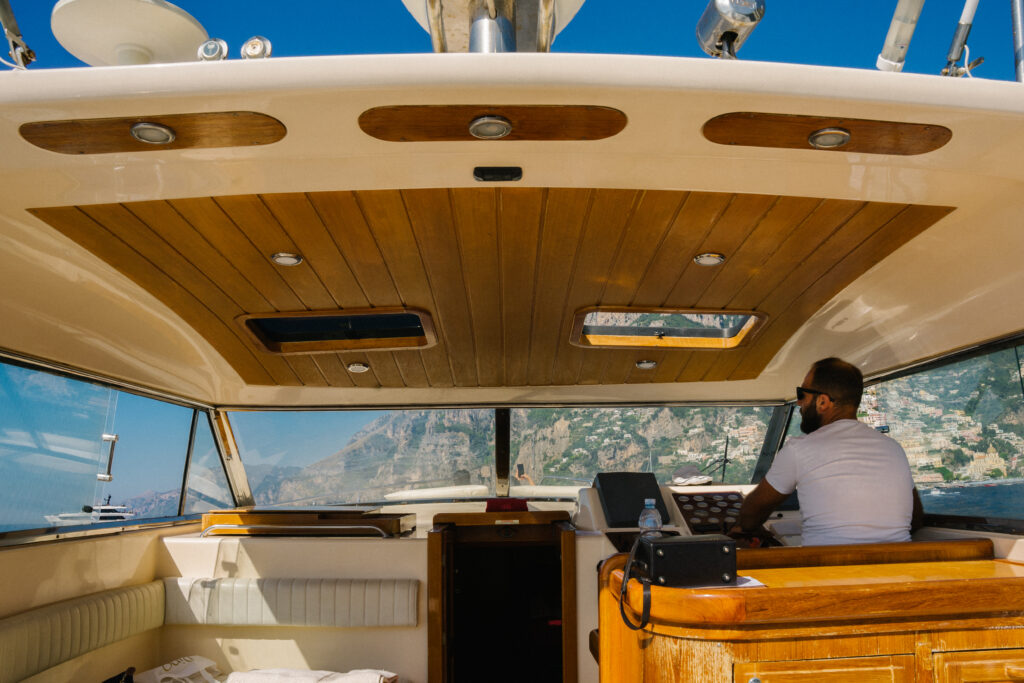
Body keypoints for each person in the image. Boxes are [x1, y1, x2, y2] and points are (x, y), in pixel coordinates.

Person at [730, 357, 923, 546]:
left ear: (822, 402)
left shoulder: (799, 449)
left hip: (827, 565)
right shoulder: (893, 448)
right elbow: (914, 519)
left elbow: (750, 516)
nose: (799, 403)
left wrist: (748, 528)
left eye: (802, 395)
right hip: (899, 565)